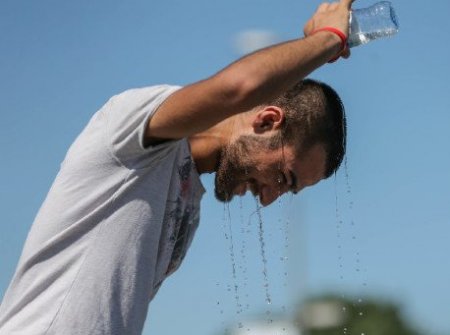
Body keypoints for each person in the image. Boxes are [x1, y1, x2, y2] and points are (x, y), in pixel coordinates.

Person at [0, 1, 354, 334]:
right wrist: (328, 39)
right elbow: (238, 87)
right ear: (266, 121)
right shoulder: (133, 131)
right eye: (283, 177)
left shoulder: (188, 203)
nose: (268, 199)